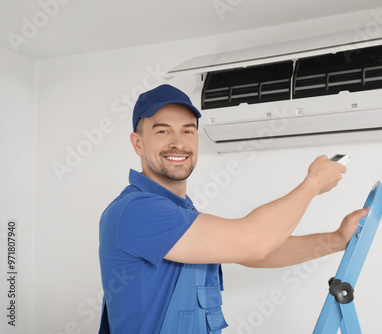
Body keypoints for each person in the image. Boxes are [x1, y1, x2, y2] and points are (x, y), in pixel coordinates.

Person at [98, 84, 368, 334]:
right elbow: (254, 242)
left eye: (188, 130)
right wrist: (313, 184)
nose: (178, 142)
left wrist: (336, 240)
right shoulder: (137, 211)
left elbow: (254, 254)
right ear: (138, 143)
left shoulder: (178, 211)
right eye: (162, 130)